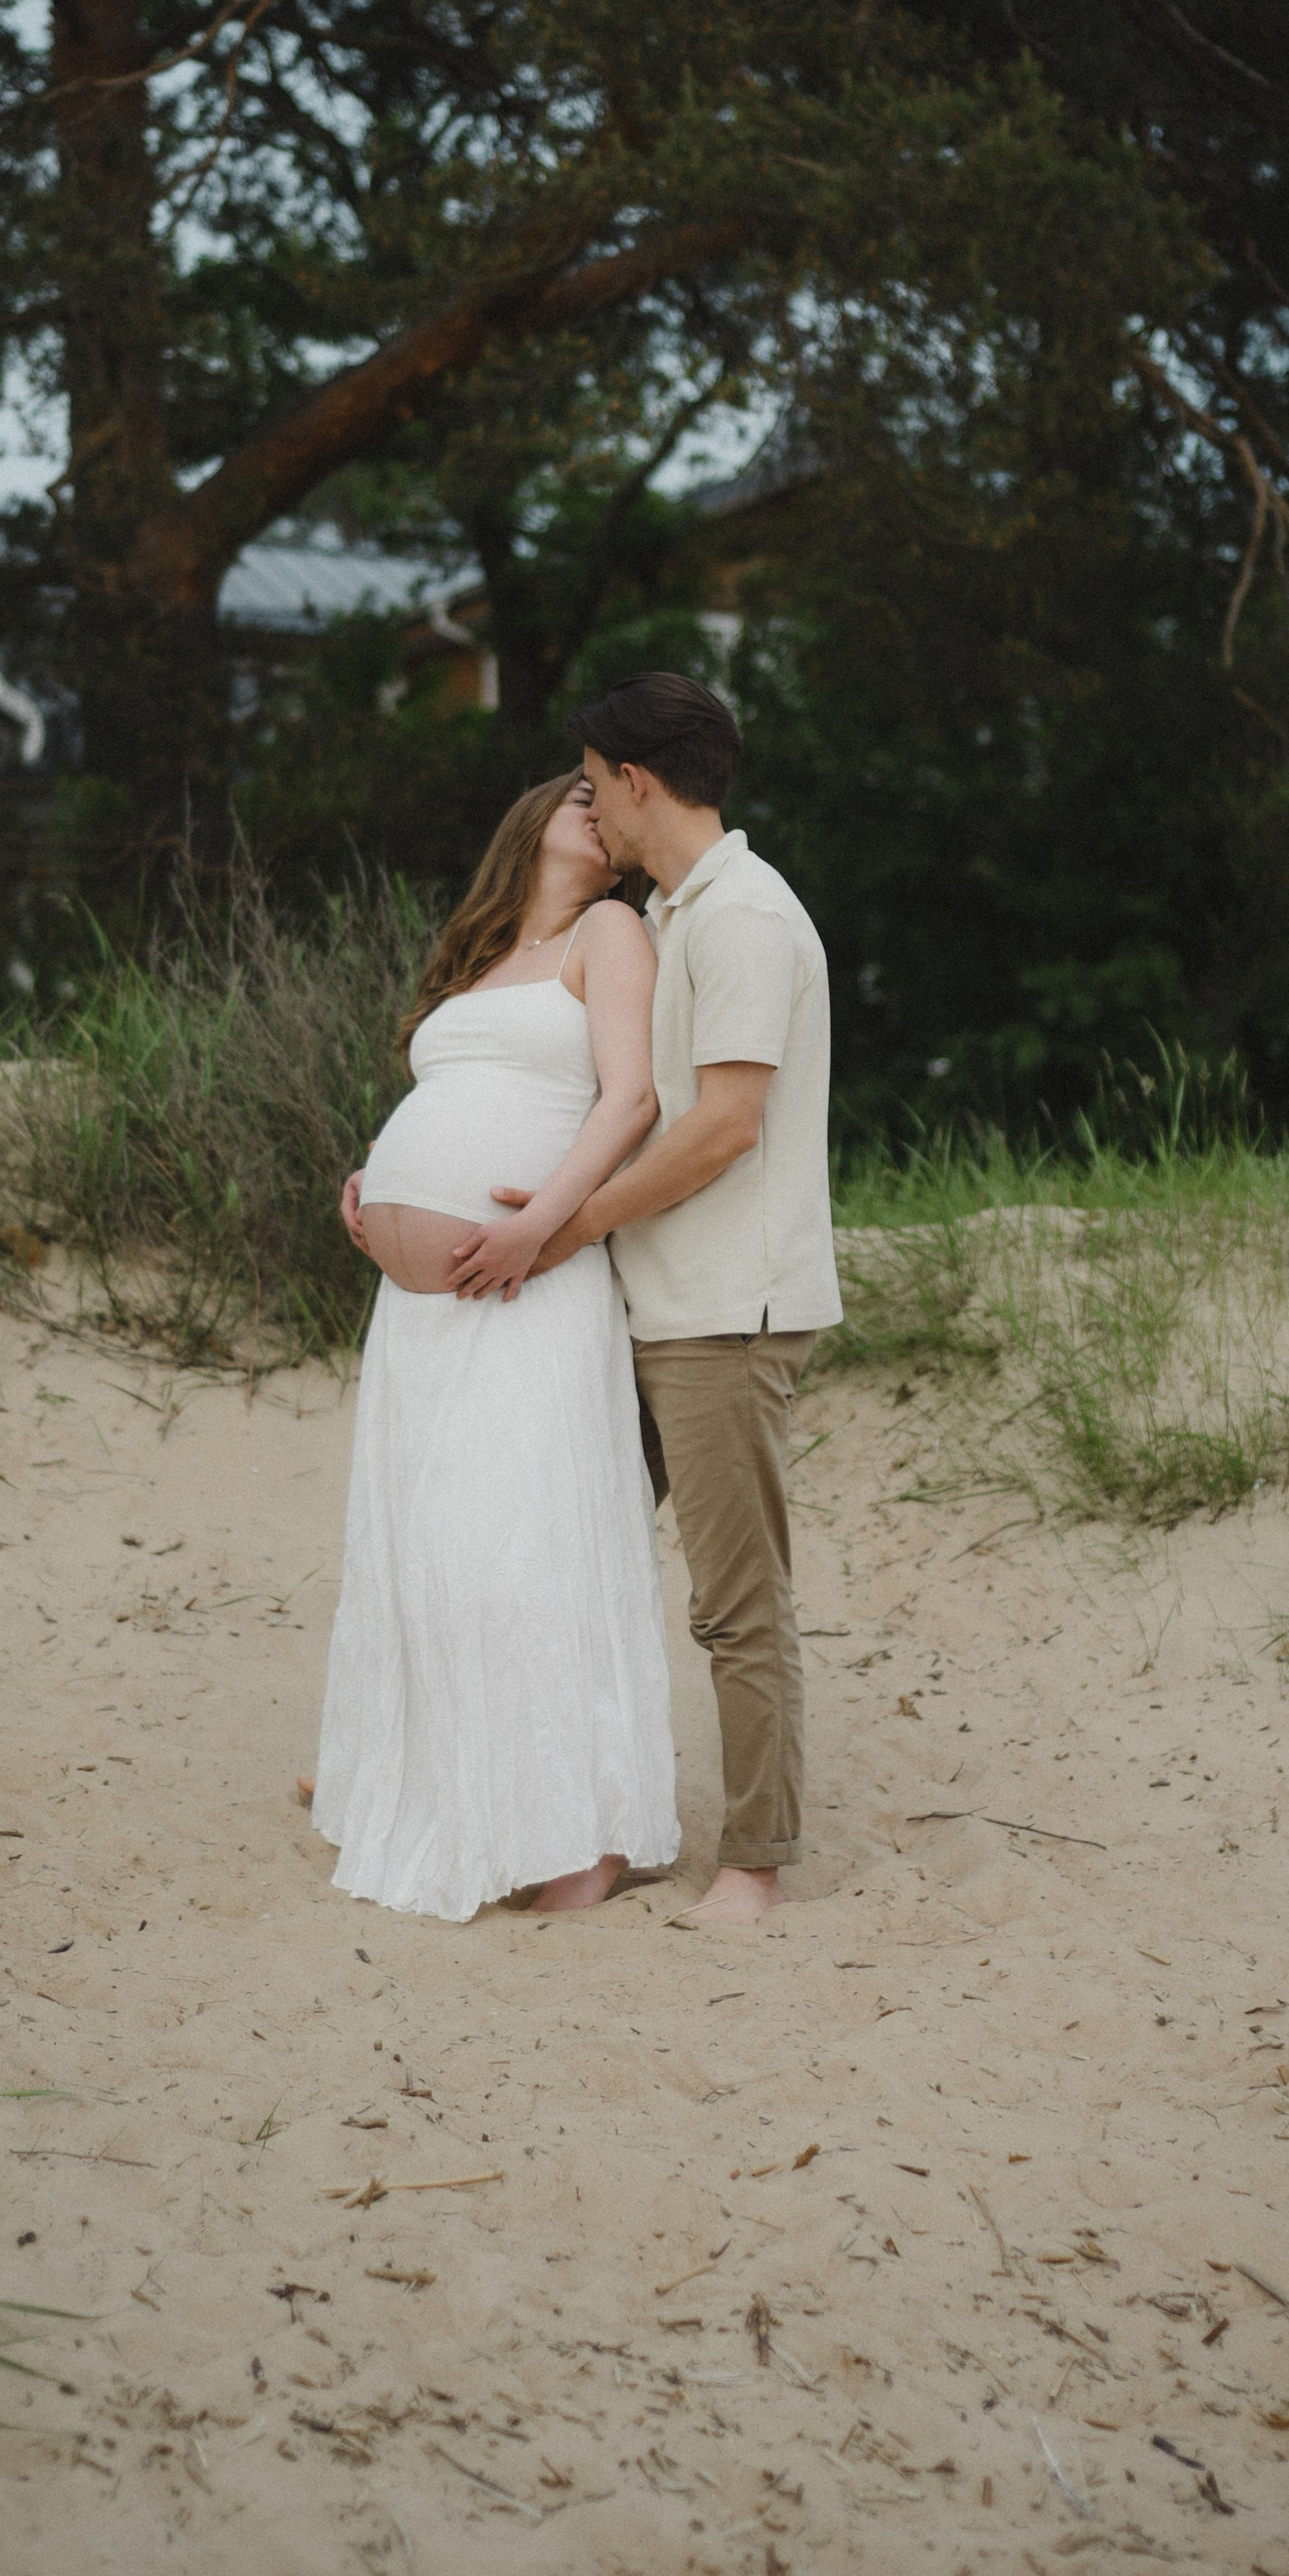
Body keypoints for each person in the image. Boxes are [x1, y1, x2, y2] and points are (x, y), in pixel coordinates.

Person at [464, 672, 840, 1925]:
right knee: (558, 1554)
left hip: (726, 1313)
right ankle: (554, 1813)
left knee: (737, 1603)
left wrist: (566, 1227)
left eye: (593, 780)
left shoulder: (741, 920)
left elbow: (726, 1126)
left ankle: (755, 1861)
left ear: (636, 779)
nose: (590, 807)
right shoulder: (679, 916)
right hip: (652, 1306)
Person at [308, 771, 680, 1923]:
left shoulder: (610, 931)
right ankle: (439, 1778)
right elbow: (453, 1088)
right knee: (425, 1547)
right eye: (576, 791)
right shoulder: (472, 963)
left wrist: (540, 1225)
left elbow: (629, 1102)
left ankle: (584, 1829)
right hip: (420, 1311)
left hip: (531, 1290)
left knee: (529, 1548)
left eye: (604, 802)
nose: (597, 807)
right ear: (524, 820)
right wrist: (377, 1176)